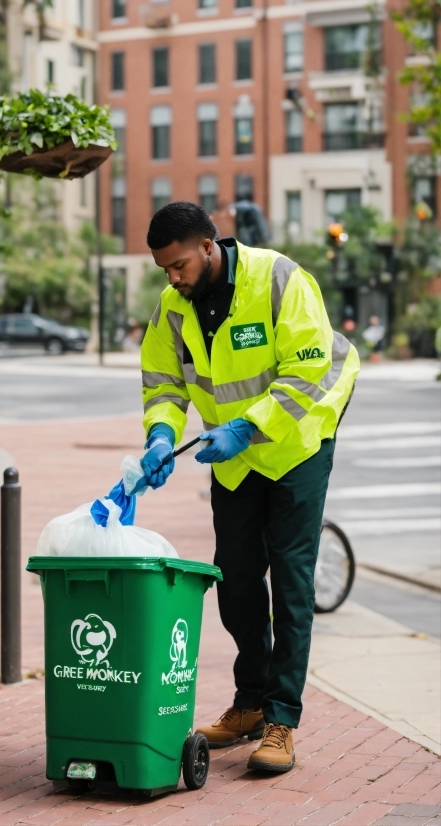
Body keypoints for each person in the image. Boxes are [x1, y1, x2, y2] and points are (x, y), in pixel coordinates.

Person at [137, 202, 359, 773]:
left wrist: (248, 426)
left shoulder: (279, 278)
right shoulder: (173, 307)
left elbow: (309, 371)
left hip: (295, 444)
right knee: (234, 581)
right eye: (164, 270)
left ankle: (282, 718)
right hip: (234, 461)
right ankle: (252, 702)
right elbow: (162, 380)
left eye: (180, 265)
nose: (174, 278)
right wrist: (162, 435)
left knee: (289, 581)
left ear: (209, 247)